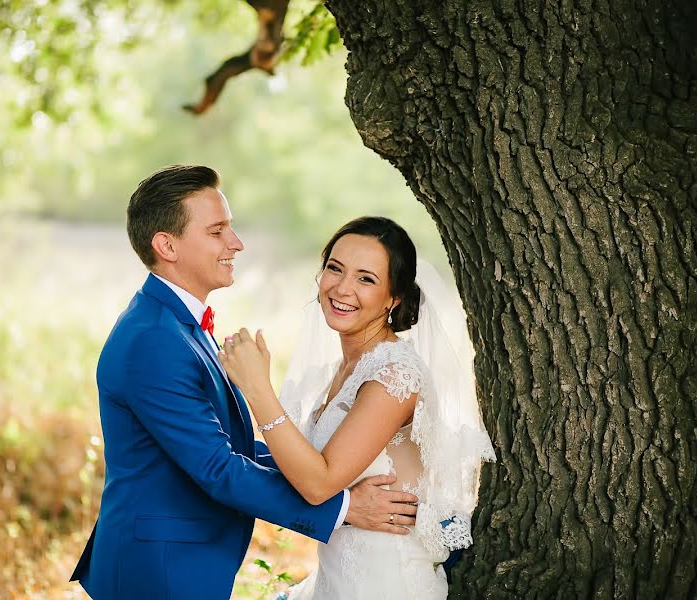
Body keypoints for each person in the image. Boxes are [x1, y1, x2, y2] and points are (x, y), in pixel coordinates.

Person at [69, 167, 420, 600]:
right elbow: (218, 467)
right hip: (159, 569)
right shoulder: (153, 340)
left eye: (230, 228)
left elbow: (227, 444)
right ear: (167, 245)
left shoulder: (179, 325)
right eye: (218, 231)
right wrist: (346, 507)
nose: (236, 243)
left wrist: (326, 480)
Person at [220, 216, 496, 599]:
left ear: (394, 297)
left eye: (366, 278)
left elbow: (318, 483)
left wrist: (257, 390)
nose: (342, 288)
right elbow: (302, 468)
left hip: (384, 584)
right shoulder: (344, 370)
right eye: (335, 269)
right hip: (338, 579)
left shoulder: (395, 376)